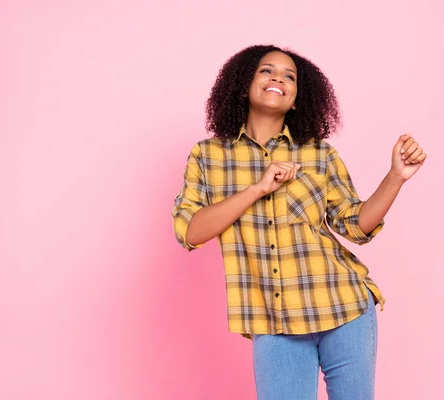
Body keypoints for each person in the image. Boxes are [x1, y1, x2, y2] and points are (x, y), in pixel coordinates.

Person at [172, 44, 427, 400]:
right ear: (243, 83)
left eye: (289, 76)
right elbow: (190, 231)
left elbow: (354, 224)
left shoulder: (318, 154)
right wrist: (258, 188)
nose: (279, 77)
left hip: (342, 304)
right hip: (273, 319)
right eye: (267, 70)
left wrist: (395, 177)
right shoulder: (209, 155)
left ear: (296, 100)